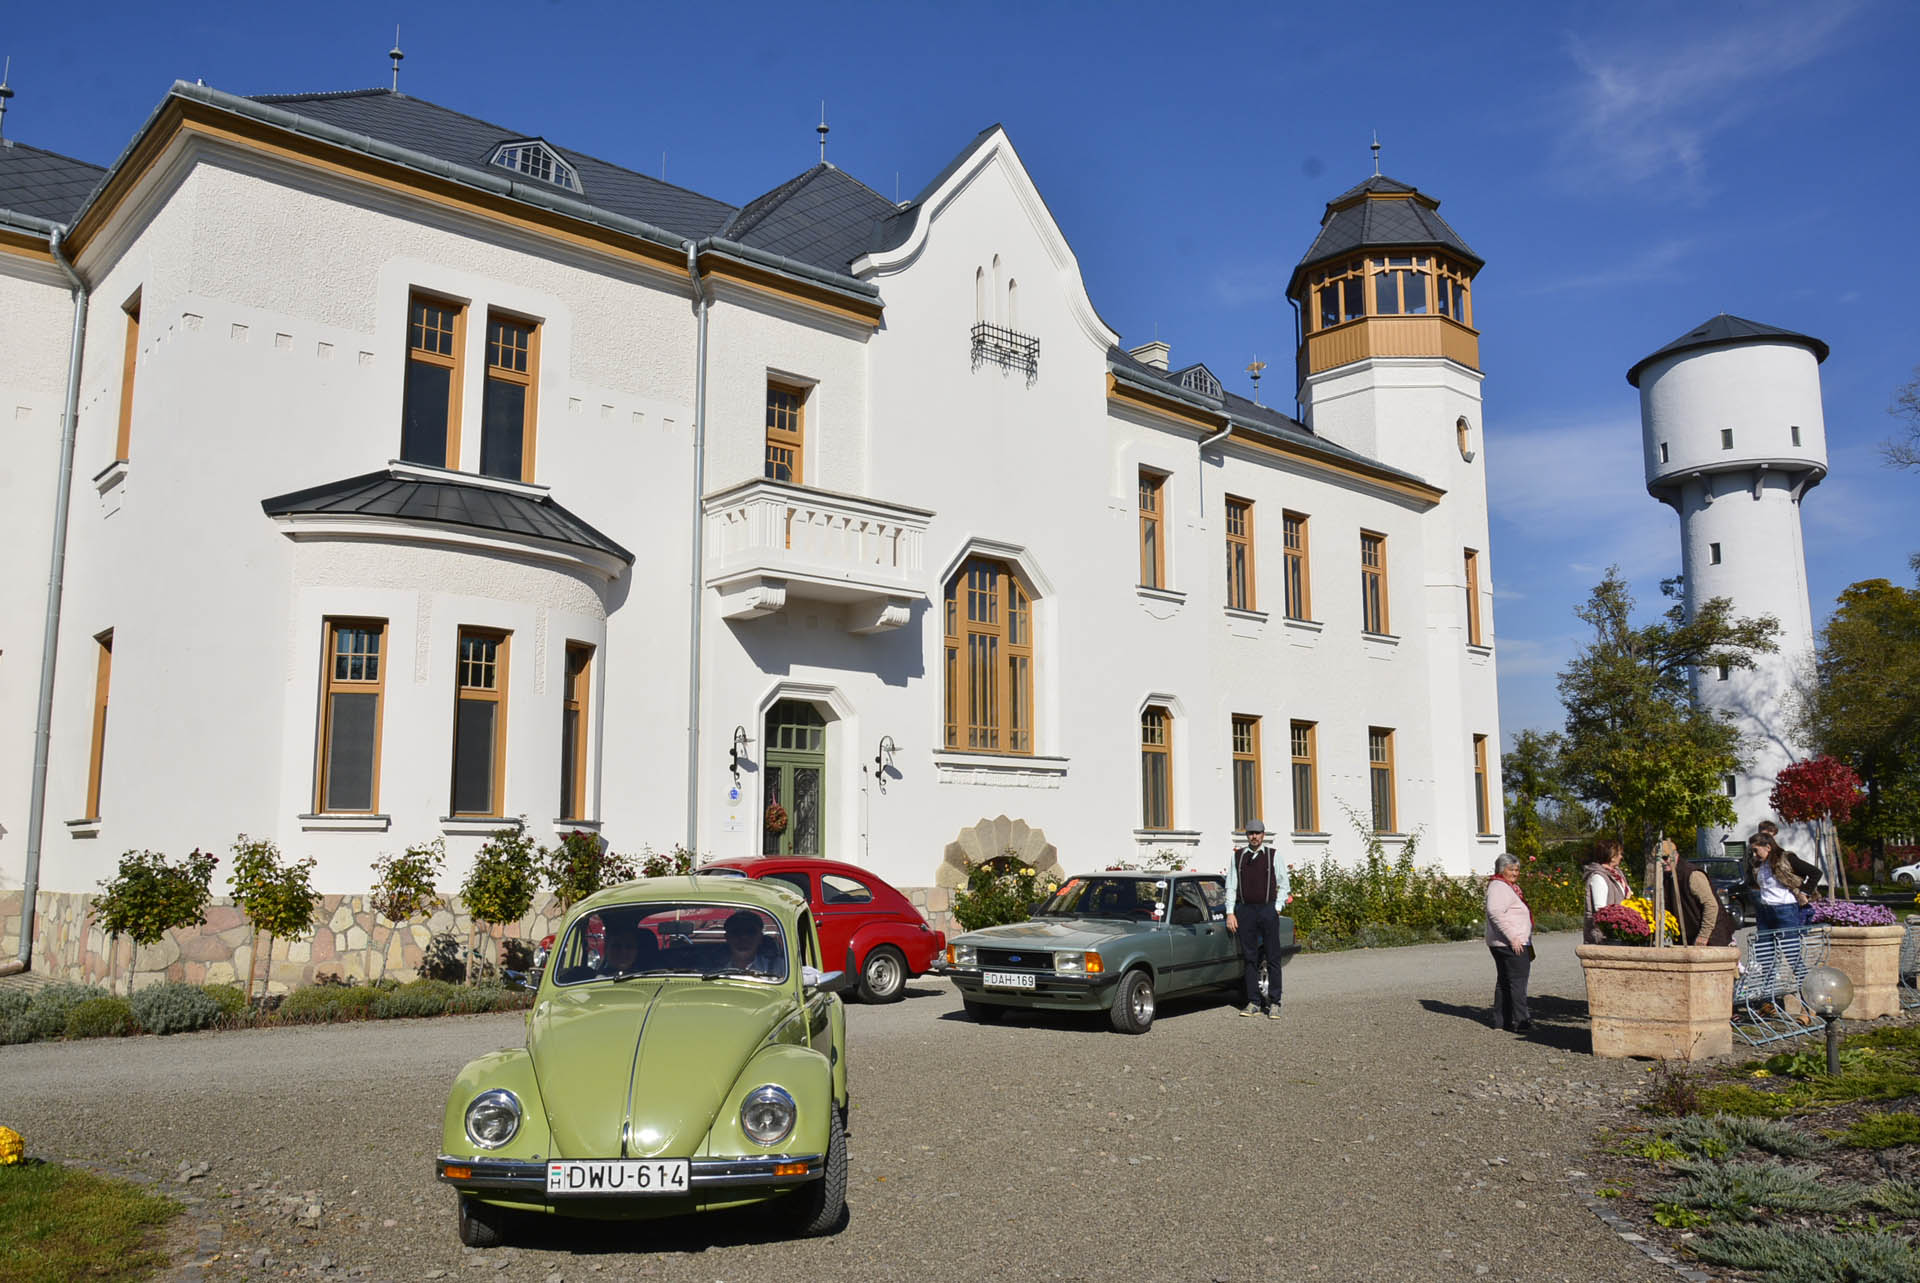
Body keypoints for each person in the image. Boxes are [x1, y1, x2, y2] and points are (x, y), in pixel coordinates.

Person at [1225, 819, 1287, 1019]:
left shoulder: (1273, 855)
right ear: (1246, 835)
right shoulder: (1238, 857)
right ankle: (1253, 1001)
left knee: (1273, 957)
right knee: (1250, 958)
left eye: (1257, 833)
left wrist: (1277, 907)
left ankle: (1275, 1002)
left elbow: (1284, 884)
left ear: (1263, 835)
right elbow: (1231, 886)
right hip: (1245, 911)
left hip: (1267, 909)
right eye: (1251, 833)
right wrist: (1230, 912)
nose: (1254, 837)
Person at [1654, 839, 1736, 948]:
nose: (1663, 862)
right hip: (1688, 937)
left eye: (1665, 858)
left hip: (1713, 937)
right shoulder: (1666, 876)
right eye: (1658, 859)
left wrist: (1703, 936)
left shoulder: (1692, 875)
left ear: (1675, 855)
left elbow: (1711, 906)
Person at [1485, 854, 1533, 1033]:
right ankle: (1521, 1021)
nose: (1515, 873)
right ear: (1501, 870)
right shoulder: (1499, 887)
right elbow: (1495, 912)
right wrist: (1513, 937)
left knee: (1505, 981)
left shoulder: (1506, 886)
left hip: (1506, 942)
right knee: (1518, 983)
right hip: (1511, 943)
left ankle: (1501, 1021)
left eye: (1517, 869)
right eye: (1511, 869)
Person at [1756, 819, 1825, 901]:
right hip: (1767, 903)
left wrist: (1804, 893)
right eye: (1763, 836)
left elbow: (1815, 872)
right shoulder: (1756, 861)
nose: (1766, 840)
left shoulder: (1785, 857)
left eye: (1770, 837)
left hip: (1788, 903)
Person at [1582, 838, 1630, 944]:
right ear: (1611, 856)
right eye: (1619, 854)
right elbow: (1601, 910)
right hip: (1603, 936)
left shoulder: (1618, 874)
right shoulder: (1598, 877)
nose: (1621, 857)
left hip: (1618, 932)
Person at [722, 909, 784, 976]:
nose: (743, 937)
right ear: (727, 937)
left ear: (760, 938)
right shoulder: (715, 968)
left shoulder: (780, 967)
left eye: (750, 932)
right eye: (736, 932)